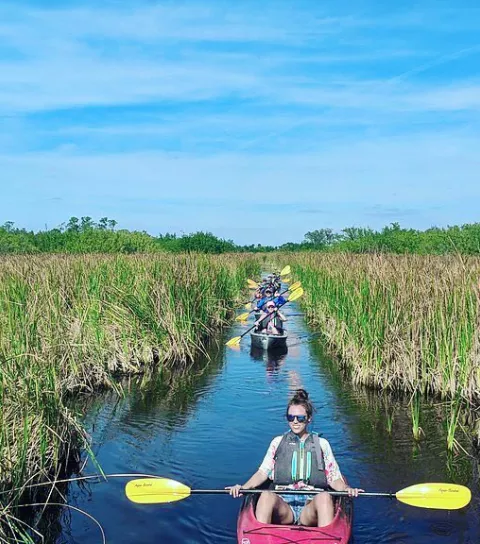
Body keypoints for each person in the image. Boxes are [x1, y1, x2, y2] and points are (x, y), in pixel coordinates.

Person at [227, 389, 363, 527]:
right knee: (266, 496)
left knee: (324, 498)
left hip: (311, 505)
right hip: (284, 505)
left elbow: (334, 478)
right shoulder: (277, 442)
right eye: (291, 417)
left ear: (309, 419)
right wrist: (243, 487)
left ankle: (325, 537)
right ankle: (261, 536)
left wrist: (346, 489)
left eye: (300, 418)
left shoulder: (322, 444)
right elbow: (263, 472)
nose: (295, 421)